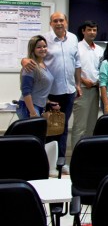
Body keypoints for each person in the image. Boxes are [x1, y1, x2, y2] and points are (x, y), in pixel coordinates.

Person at [22, 12, 81, 174]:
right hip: (51, 94)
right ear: (51, 23)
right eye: (55, 21)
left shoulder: (73, 39)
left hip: (69, 91)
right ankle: (47, 163)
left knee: (62, 128)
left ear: (66, 22)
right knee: (48, 130)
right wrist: (24, 60)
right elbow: (31, 55)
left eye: (61, 20)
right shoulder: (45, 39)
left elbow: (77, 63)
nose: (59, 23)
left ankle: (60, 163)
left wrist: (78, 84)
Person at [17, 35, 59, 177]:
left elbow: (39, 89)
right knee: (32, 144)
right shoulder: (30, 66)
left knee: (37, 142)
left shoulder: (43, 65)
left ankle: (35, 172)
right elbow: (26, 91)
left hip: (38, 106)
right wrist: (33, 113)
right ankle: (28, 173)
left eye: (44, 46)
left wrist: (48, 102)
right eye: (39, 47)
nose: (42, 49)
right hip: (28, 107)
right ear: (33, 49)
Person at [71, 20, 103, 149]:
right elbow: (72, 67)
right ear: (83, 31)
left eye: (94, 30)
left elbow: (101, 69)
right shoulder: (76, 47)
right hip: (82, 89)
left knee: (91, 125)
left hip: (95, 90)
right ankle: (75, 156)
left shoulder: (100, 50)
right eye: (89, 29)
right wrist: (83, 80)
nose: (92, 32)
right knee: (80, 126)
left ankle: (87, 153)